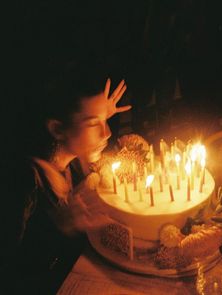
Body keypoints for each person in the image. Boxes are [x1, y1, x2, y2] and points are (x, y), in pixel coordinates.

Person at [0, 63, 131, 294]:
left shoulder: (72, 162)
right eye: (93, 124)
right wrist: (59, 227)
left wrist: (97, 115)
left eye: (106, 119)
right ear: (57, 129)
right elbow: (10, 273)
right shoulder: (25, 180)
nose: (107, 133)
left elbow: (86, 133)